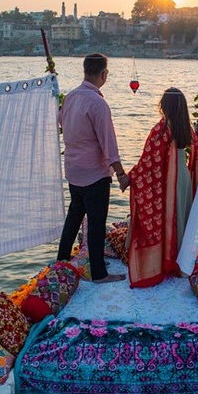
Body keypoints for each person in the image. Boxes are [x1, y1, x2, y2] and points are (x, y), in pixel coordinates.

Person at [57, 53, 129, 283]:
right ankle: (99, 273)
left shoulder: (70, 97)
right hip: (94, 174)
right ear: (103, 74)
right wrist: (120, 173)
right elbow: (109, 142)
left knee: (74, 216)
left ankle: (61, 261)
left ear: (85, 71)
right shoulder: (98, 103)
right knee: (96, 225)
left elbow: (61, 122)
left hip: (73, 170)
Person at [125, 87, 198, 288]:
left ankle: (162, 261)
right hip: (182, 176)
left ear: (164, 106)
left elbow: (148, 160)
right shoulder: (186, 127)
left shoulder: (161, 129)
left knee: (168, 217)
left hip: (168, 179)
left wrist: (131, 177)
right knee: (179, 218)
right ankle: (179, 260)